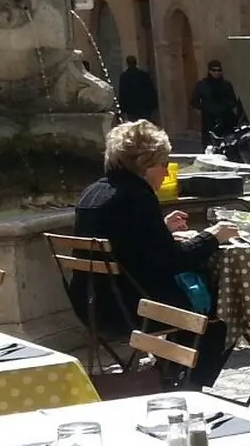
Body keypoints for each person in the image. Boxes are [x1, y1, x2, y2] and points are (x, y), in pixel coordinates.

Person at [72, 120, 237, 387]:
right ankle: (190, 386)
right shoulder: (137, 197)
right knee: (224, 307)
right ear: (145, 164)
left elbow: (131, 242)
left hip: (91, 305)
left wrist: (161, 227)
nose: (166, 172)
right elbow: (173, 261)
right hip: (132, 309)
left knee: (196, 300)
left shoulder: (93, 193)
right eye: (163, 164)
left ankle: (169, 373)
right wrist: (212, 236)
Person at [189, 60, 246, 145]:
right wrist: (205, 108)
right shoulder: (202, 85)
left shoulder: (226, 85)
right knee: (209, 143)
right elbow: (194, 101)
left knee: (228, 142)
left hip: (225, 118)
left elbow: (233, 100)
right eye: (214, 70)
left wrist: (228, 106)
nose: (217, 73)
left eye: (219, 70)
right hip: (209, 118)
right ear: (209, 71)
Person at [116, 56, 159, 125]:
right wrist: (152, 105)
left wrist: (122, 109)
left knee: (134, 126)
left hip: (131, 109)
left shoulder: (124, 77)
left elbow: (123, 94)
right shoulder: (143, 75)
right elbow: (150, 91)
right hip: (144, 107)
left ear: (127, 64)